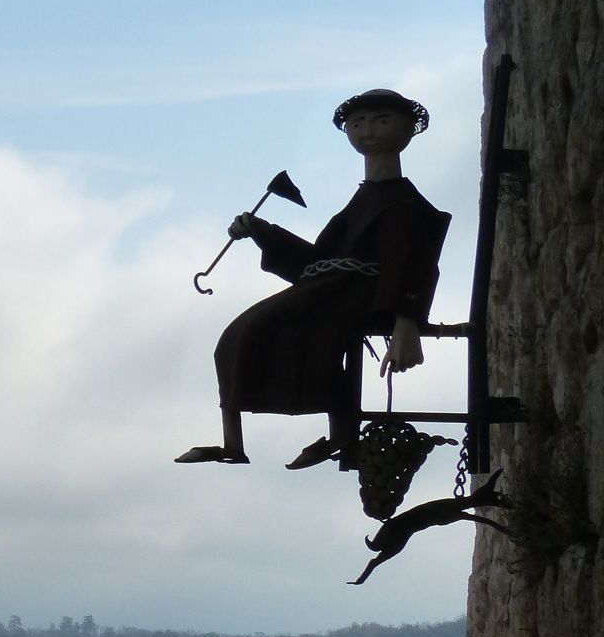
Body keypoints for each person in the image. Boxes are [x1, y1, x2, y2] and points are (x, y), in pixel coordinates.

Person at [175, 89, 450, 468]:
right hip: (330, 289)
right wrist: (262, 231)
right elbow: (320, 262)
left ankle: (339, 436)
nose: (367, 130)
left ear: (407, 129)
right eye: (358, 123)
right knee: (240, 335)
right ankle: (233, 443)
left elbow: (413, 264)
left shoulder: (404, 204)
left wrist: (407, 323)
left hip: (359, 295)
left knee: (297, 336)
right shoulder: (362, 201)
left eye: (381, 120)